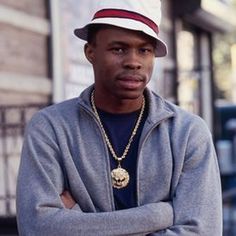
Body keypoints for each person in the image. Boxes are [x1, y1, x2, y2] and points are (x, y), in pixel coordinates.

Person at [16, 0, 222, 235]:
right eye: (119, 49)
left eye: (144, 50)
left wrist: (76, 220)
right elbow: (37, 227)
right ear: (90, 52)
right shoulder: (51, 128)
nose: (134, 62)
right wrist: (159, 215)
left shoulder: (187, 132)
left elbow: (202, 231)